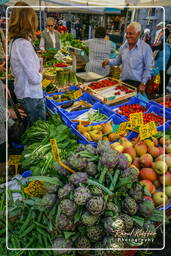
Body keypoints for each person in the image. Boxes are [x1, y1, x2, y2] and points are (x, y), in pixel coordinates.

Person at [8, 2, 46, 125]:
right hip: (31, 96)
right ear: (28, 21)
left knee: (31, 133)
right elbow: (35, 79)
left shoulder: (13, 42)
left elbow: (16, 70)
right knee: (38, 135)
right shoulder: (23, 44)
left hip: (23, 93)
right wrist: (41, 73)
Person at [102, 22, 153, 93]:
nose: (128, 36)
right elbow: (118, 61)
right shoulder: (123, 47)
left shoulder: (145, 48)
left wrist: (143, 83)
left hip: (137, 84)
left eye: (131, 33)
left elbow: (148, 68)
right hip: (123, 82)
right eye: (127, 33)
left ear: (138, 34)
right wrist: (109, 61)